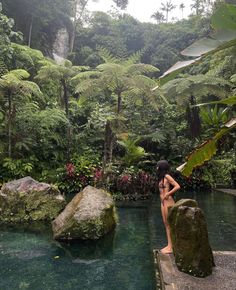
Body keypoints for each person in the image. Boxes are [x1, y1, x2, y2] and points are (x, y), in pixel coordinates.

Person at [157, 160, 180, 254]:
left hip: (168, 201)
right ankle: (169, 245)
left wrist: (168, 194)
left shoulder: (167, 176)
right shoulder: (161, 178)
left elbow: (177, 186)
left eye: (158, 166)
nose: (156, 168)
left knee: (169, 224)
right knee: (166, 224)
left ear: (161, 167)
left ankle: (171, 247)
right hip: (163, 202)